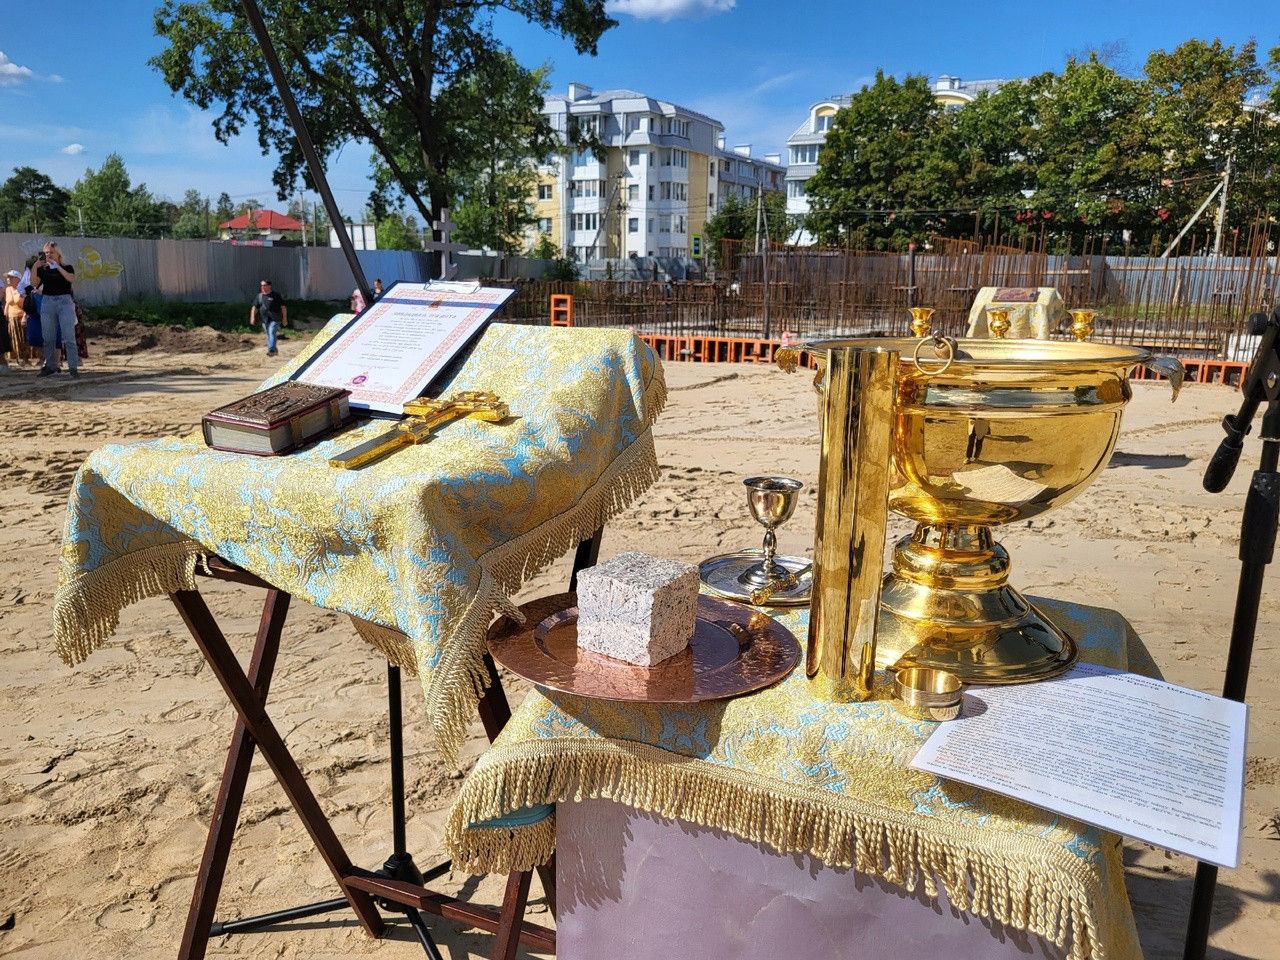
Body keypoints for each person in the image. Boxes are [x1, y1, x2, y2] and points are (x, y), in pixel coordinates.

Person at [34, 241, 79, 379]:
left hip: (64, 301)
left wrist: (57, 267)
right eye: (46, 252)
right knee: (48, 337)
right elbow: (34, 283)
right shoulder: (43, 269)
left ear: (58, 254)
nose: (48, 255)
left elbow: (71, 279)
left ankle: (73, 367)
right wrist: (35, 266)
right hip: (48, 301)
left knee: (69, 336)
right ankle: (50, 366)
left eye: (51, 252)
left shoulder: (67, 267)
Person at [4, 269, 36, 368]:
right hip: (11, 317)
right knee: (14, 339)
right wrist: (5, 315)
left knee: (23, 338)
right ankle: (18, 358)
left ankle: (26, 359)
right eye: (8, 278)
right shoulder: (8, 289)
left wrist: (24, 316)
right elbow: (7, 304)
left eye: (11, 277)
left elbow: (27, 304)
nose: (8, 279)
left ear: (17, 279)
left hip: (21, 316)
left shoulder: (22, 289)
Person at [249, 279, 287, 356]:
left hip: (275, 319)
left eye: (264, 285)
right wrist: (252, 317)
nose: (263, 287)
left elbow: (283, 307)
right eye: (262, 285)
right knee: (270, 334)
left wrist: (284, 318)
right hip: (265, 320)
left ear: (269, 286)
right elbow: (254, 308)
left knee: (272, 331)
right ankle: (274, 350)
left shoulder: (276, 296)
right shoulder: (259, 297)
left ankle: (271, 350)